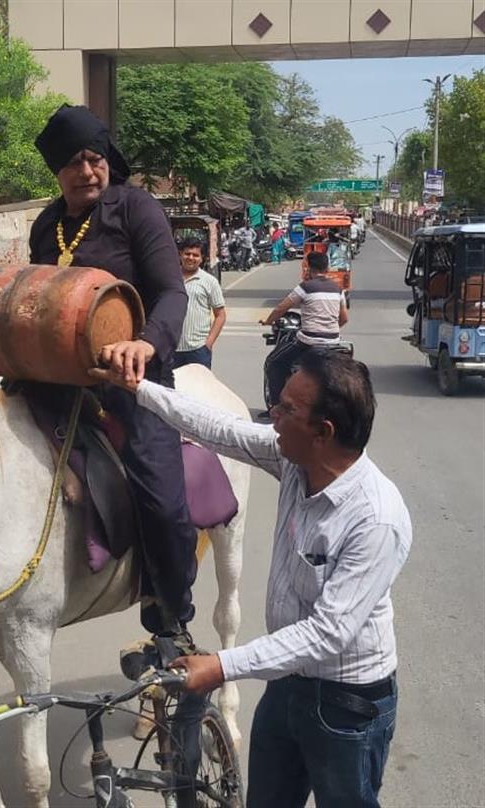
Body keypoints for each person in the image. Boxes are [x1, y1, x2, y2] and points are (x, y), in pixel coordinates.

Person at [94, 350, 412, 808]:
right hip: (286, 685)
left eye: (285, 410)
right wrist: (139, 390)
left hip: (347, 707)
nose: (274, 417)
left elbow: (328, 634)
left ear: (323, 432)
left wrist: (222, 666)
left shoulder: (375, 518)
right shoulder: (293, 460)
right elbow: (216, 428)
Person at [29, 104, 196, 640]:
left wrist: (145, 344)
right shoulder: (46, 226)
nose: (87, 171)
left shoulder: (137, 209)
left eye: (95, 158)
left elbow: (172, 292)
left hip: (133, 383)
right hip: (58, 381)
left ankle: (172, 615)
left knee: (163, 501)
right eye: (74, 163)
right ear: (57, 171)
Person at [260, 251, 348, 410]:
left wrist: (268, 321)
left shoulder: (306, 287)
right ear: (327, 268)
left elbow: (282, 307)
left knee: (273, 363)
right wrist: (329, 329)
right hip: (334, 342)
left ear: (309, 268)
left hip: (308, 341)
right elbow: (344, 319)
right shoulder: (338, 289)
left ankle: (276, 408)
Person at [174, 237, 226, 369]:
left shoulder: (210, 281)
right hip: (171, 349)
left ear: (202, 258)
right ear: (180, 254)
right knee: (169, 389)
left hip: (198, 350)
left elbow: (220, 315)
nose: (190, 258)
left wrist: (208, 343)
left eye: (195, 255)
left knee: (198, 389)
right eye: (187, 254)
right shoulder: (170, 278)